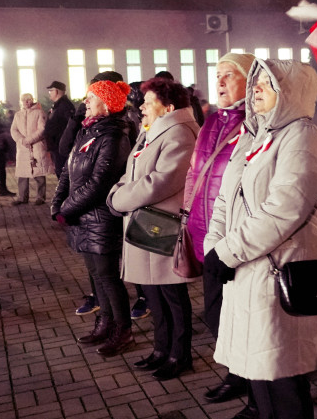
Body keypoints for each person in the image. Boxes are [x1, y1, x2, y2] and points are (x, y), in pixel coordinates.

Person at [204, 59, 317, 419]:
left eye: (267, 83)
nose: (256, 88)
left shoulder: (302, 136)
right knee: (257, 368)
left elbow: (284, 209)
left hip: (281, 273)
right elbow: (226, 197)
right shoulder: (255, 136)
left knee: (284, 374)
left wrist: (227, 252)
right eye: (255, 81)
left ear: (291, 91)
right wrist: (213, 245)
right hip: (246, 269)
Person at [182, 52, 260, 419]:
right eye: (218, 74)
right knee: (215, 314)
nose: (221, 81)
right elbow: (195, 172)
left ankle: (253, 384)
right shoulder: (212, 120)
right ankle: (236, 373)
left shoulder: (256, 123)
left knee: (240, 318)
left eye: (231, 74)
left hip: (240, 240)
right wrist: (187, 214)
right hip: (207, 231)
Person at [108, 78, 200, 380]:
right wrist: (119, 192)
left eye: (148, 101)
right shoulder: (152, 132)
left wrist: (119, 199)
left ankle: (180, 354)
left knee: (171, 294)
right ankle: (161, 349)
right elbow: (131, 171)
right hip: (144, 223)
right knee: (152, 292)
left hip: (162, 225)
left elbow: (160, 182)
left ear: (169, 107)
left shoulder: (179, 134)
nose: (141, 106)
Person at [51, 79, 133, 356]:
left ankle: (123, 330)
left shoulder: (113, 136)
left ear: (107, 104)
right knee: (95, 275)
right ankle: (105, 322)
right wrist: (57, 203)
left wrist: (67, 208)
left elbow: (99, 183)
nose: (85, 102)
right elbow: (67, 171)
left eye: (91, 98)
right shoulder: (87, 132)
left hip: (100, 218)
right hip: (81, 216)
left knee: (108, 276)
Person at [11, 93, 52, 205]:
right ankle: (22, 197)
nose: (26, 102)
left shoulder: (39, 113)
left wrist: (28, 140)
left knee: (39, 174)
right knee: (22, 174)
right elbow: (13, 130)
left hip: (37, 146)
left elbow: (42, 129)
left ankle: (40, 197)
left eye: (28, 100)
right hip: (23, 148)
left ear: (32, 100)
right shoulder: (18, 115)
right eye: (24, 100)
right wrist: (21, 140)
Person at [44, 81, 75, 179]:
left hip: (61, 145)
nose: (49, 93)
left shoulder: (65, 106)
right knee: (59, 170)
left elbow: (70, 126)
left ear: (56, 91)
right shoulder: (57, 105)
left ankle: (65, 194)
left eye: (51, 91)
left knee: (62, 172)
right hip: (56, 145)